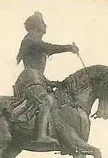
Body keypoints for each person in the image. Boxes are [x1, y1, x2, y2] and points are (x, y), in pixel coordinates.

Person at [14, 12, 79, 144]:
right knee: (47, 100)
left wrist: (54, 83)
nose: (45, 27)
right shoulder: (30, 40)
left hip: (35, 79)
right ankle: (41, 136)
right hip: (30, 80)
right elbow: (48, 48)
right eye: (43, 24)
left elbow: (40, 73)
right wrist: (68, 47)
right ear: (36, 27)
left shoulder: (33, 40)